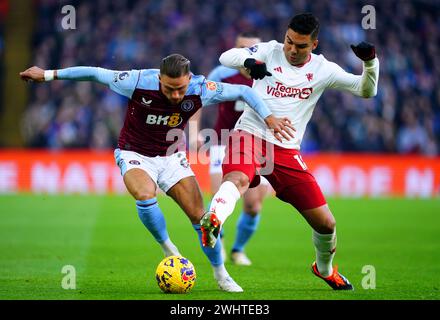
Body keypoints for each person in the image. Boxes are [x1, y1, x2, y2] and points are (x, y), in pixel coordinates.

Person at [19, 54, 294, 292]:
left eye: (181, 89)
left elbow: (245, 92)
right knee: (144, 193)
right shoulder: (137, 81)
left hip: (172, 156)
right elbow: (95, 74)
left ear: (189, 80)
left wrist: (269, 116)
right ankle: (168, 248)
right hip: (134, 153)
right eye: (169, 88)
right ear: (159, 78)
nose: (176, 95)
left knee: (203, 220)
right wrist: (47, 74)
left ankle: (221, 274)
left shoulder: (201, 88)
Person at [200, 13, 379, 290]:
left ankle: (324, 269)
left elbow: (365, 91)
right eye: (289, 42)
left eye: (301, 46)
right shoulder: (269, 51)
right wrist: (248, 61)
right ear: (285, 36)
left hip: (286, 151)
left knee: (326, 224)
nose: (292, 50)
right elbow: (226, 57)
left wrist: (370, 63)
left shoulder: (323, 70)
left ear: (314, 44)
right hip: (249, 133)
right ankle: (214, 221)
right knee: (238, 179)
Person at [205, 32, 271, 266]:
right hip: (223, 139)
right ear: (235, 49)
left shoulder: (272, 76)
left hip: (259, 143)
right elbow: (196, 97)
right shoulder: (222, 75)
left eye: (252, 49)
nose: (247, 54)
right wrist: (192, 131)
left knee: (253, 206)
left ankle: (238, 250)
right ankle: (218, 242)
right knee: (217, 194)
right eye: (242, 48)